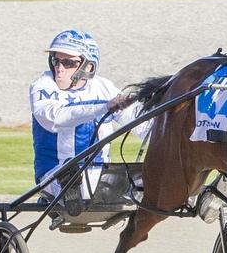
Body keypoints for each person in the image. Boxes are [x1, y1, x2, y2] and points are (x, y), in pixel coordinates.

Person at [30, 29, 149, 202]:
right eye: (55, 60)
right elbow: (56, 118)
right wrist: (105, 106)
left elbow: (140, 124)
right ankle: (68, 193)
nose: (59, 68)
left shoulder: (104, 87)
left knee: (154, 175)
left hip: (101, 174)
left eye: (68, 63)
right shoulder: (43, 86)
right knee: (73, 180)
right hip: (55, 173)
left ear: (89, 66)